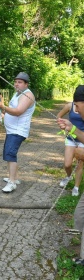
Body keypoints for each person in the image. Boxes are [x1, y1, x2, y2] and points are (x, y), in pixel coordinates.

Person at [57, 84, 84, 266]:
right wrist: (71, 128)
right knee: (80, 216)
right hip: (72, 137)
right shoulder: (73, 108)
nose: (78, 112)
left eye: (80, 107)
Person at [0, 72, 35, 193]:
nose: (16, 84)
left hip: (18, 131)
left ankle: (12, 182)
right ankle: (13, 177)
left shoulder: (27, 95)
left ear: (26, 84)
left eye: (20, 82)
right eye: (16, 81)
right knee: (9, 154)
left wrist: (3, 107)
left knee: (10, 153)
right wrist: (5, 112)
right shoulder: (18, 93)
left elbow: (18, 111)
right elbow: (13, 108)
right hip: (12, 130)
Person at [57, 102, 84, 196]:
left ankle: (76, 187)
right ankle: (69, 177)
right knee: (67, 164)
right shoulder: (69, 106)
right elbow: (59, 116)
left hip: (82, 139)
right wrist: (62, 125)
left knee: (79, 165)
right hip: (71, 138)